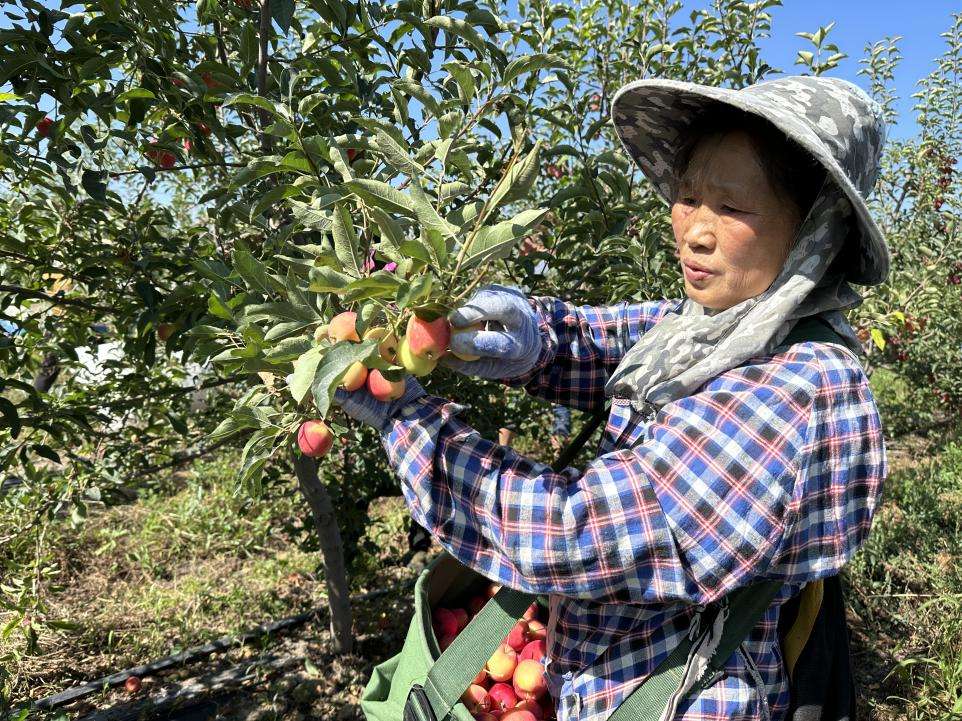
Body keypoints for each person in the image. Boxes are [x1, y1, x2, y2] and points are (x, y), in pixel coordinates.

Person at [334, 76, 888, 721]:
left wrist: (408, 421)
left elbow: (567, 532)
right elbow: (605, 342)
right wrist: (523, 334)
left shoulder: (803, 387)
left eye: (733, 208)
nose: (695, 232)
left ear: (813, 229)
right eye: (687, 196)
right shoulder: (714, 325)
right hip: (588, 676)